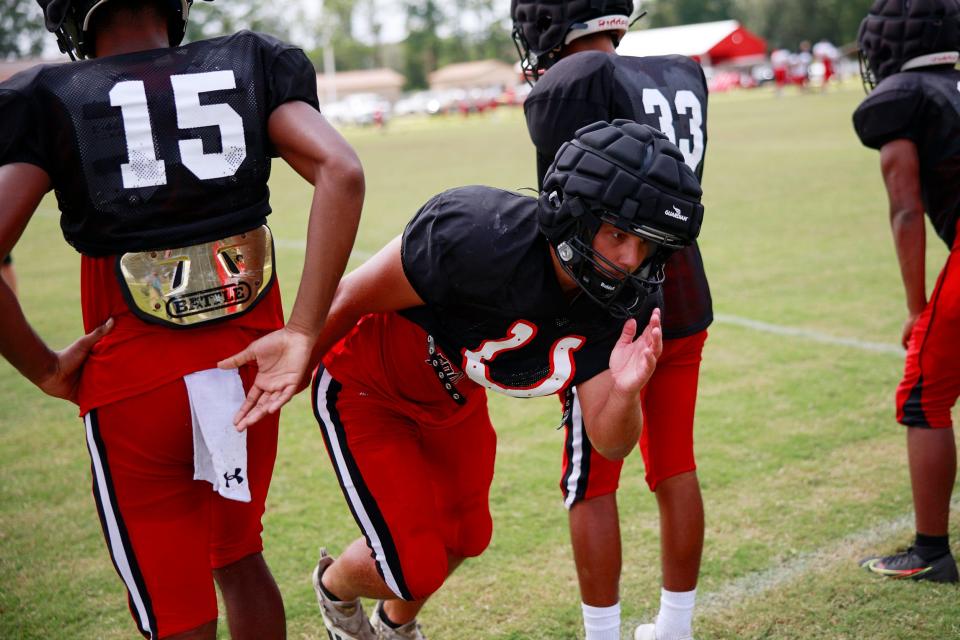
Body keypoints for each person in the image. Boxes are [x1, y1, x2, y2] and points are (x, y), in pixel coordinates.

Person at [222, 120, 706, 640]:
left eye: (647, 243)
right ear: (574, 214)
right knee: (415, 567)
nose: (631, 260)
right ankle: (336, 586)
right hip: (369, 388)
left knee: (469, 537)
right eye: (618, 234)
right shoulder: (477, 234)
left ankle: (391, 626)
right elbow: (350, 297)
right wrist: (287, 374)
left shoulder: (626, 296)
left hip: (452, 401)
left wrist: (628, 389)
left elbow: (611, 443)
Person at [0, 0, 364, 637]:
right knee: (240, 555)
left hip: (135, 380)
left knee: (175, 607)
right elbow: (342, 168)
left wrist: (48, 370)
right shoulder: (249, 62)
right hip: (252, 367)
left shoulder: (49, 94)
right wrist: (304, 330)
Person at [512, 2, 712, 638]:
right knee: (674, 463)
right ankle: (675, 625)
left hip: (610, 305)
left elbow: (562, 217)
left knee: (591, 481)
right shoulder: (677, 71)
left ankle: (603, 634)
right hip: (682, 289)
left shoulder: (572, 81)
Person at [853, 0, 960, 584]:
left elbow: (905, 208)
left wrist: (918, 308)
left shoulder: (904, 100)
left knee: (923, 397)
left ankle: (930, 552)